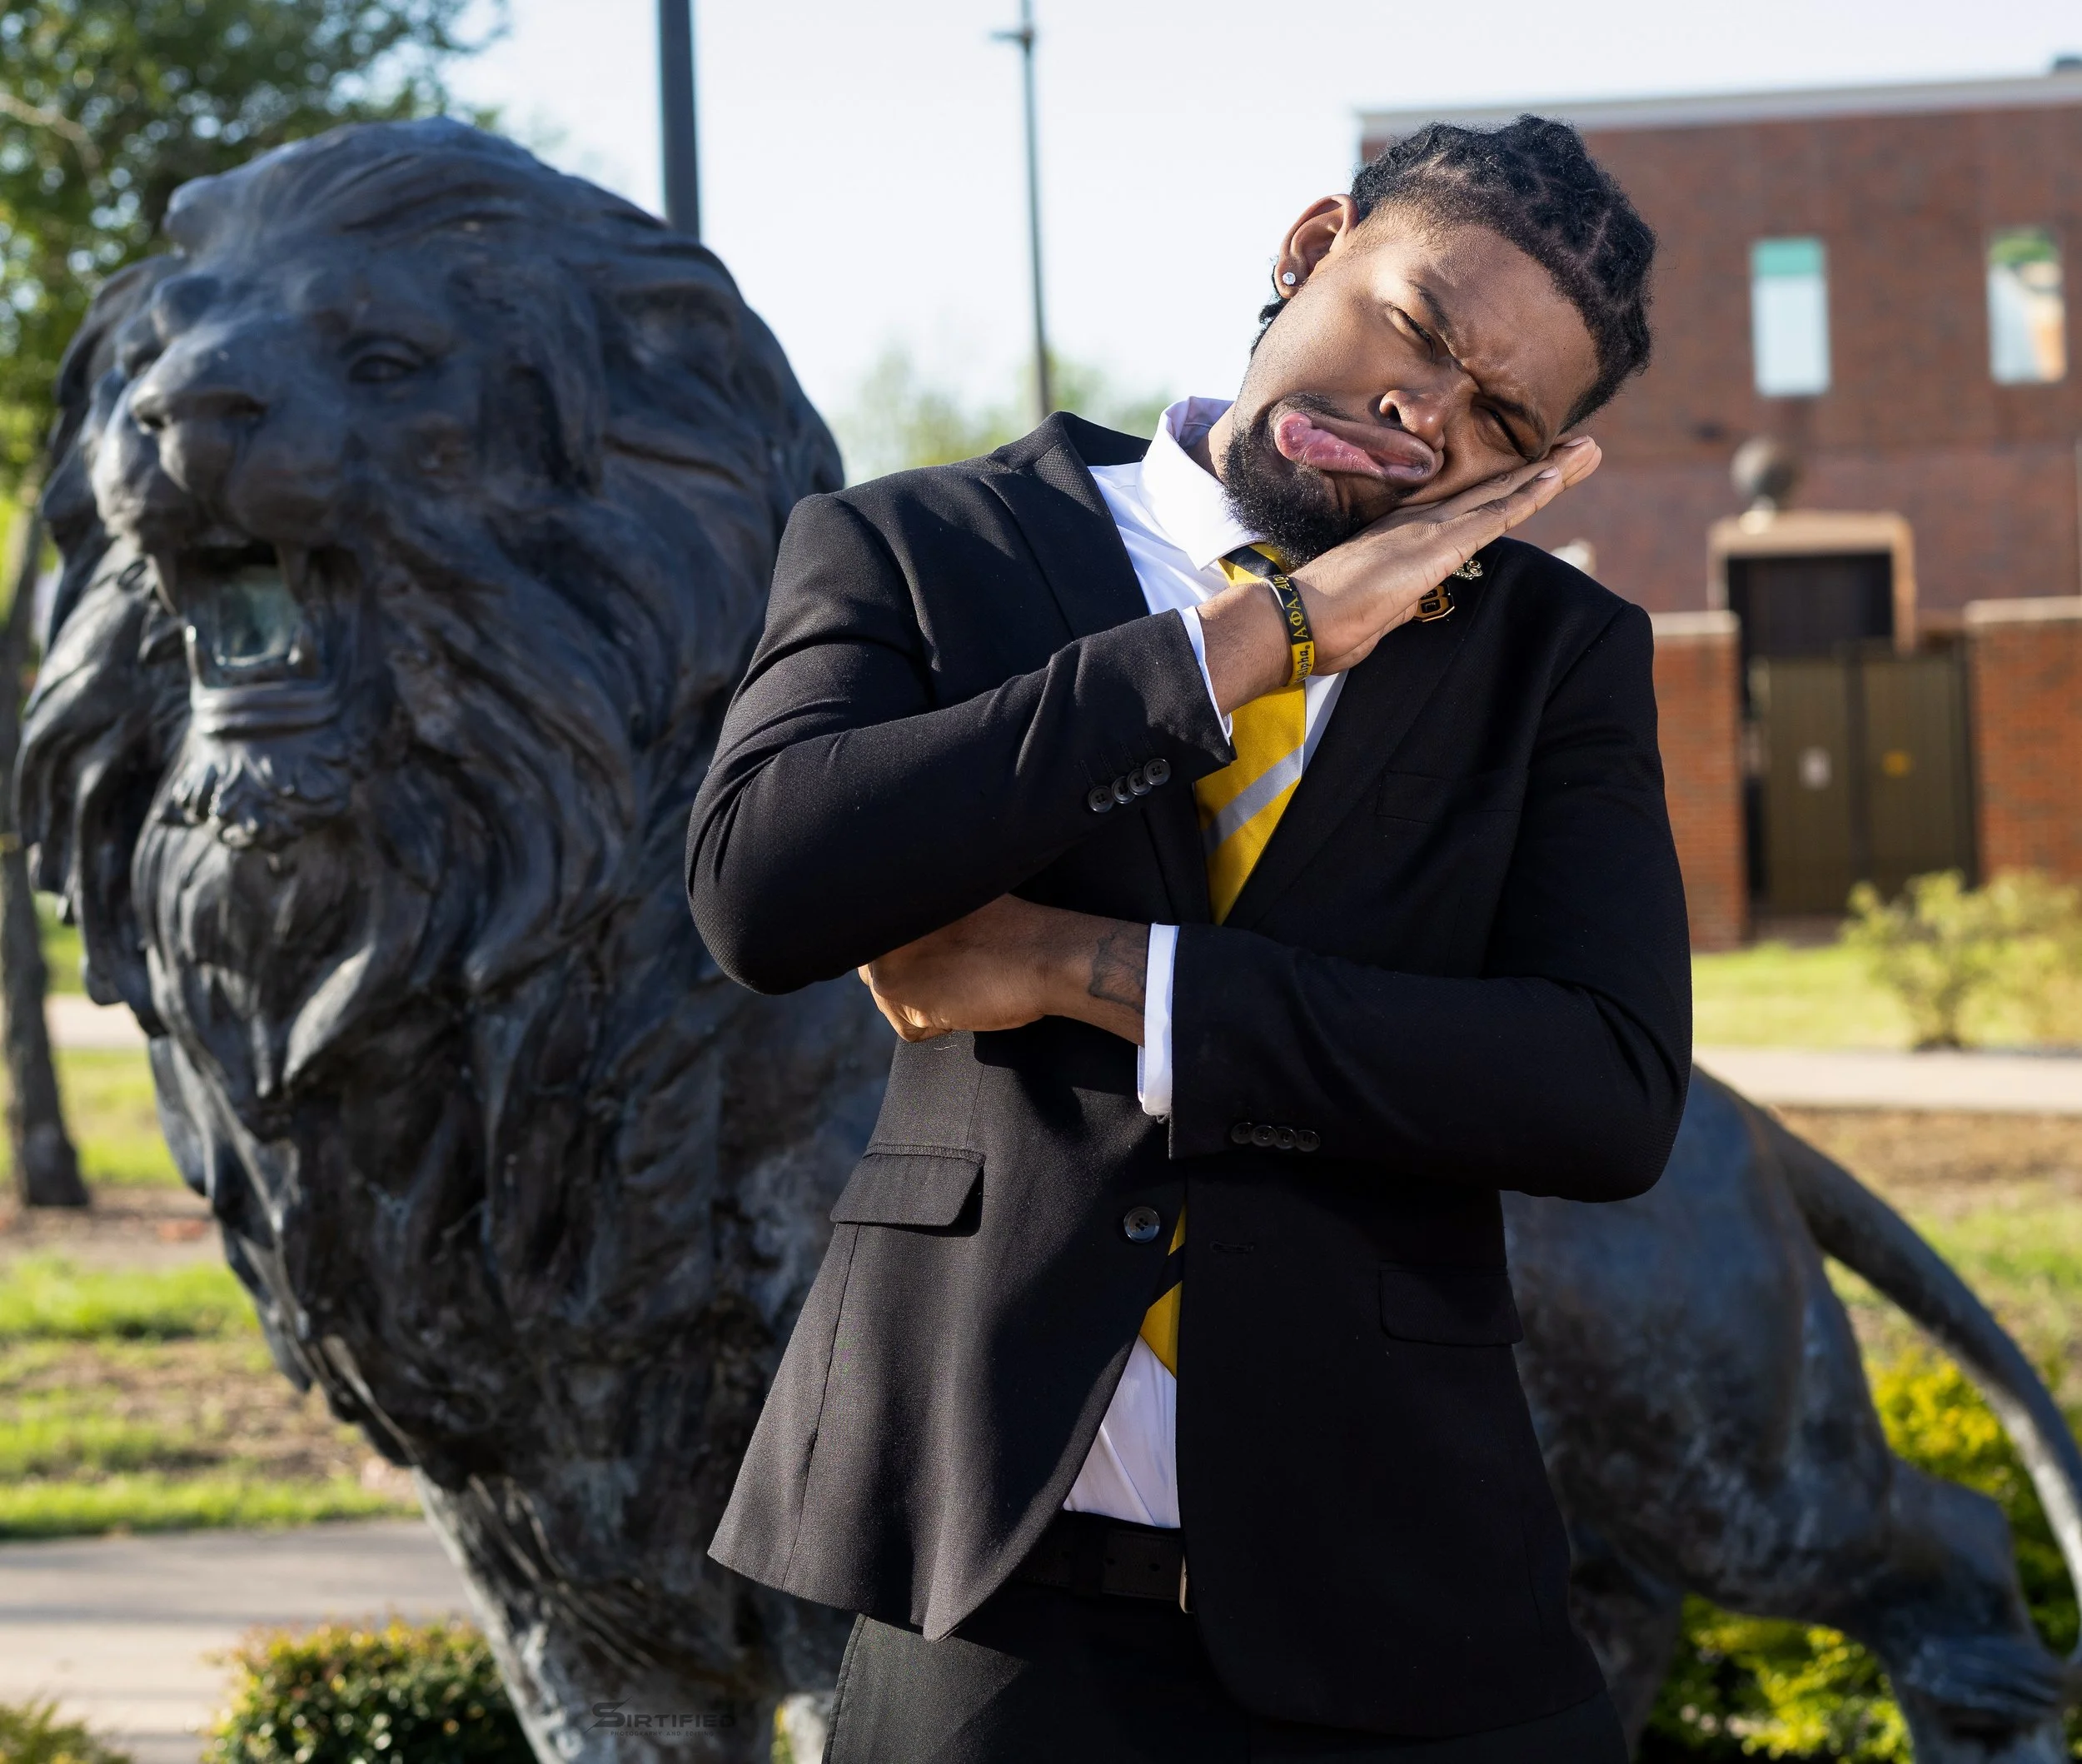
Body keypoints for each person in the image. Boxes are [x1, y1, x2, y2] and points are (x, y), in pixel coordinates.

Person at [685, 115, 1691, 1764]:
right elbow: (762, 887)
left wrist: (1108, 975)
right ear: (1309, 247)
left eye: (1496, 416)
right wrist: (1244, 642)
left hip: (1405, 1603)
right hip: (990, 1600)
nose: (1420, 413)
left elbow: (1602, 1089)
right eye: (1417, 329)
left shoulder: (1554, 659)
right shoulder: (917, 545)